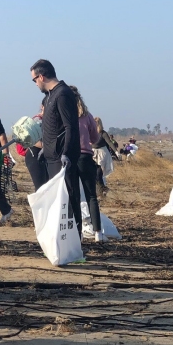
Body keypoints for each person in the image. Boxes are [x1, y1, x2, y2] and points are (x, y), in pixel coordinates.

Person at [31, 59, 82, 240]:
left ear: (41, 76)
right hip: (51, 156)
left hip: (62, 157)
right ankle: (62, 239)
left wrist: (67, 153)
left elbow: (70, 127)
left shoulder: (62, 94)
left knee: (68, 199)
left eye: (34, 80)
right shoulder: (49, 96)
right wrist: (45, 147)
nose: (35, 83)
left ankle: (75, 240)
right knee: (58, 202)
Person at [69, 86, 106, 242]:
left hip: (71, 157)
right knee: (91, 196)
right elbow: (95, 137)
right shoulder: (87, 116)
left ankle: (79, 233)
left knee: (75, 196)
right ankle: (98, 232)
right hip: (85, 157)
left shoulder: (65, 116)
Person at [16, 99, 49, 191]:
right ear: (42, 107)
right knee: (40, 187)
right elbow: (33, 140)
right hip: (34, 156)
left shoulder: (50, 120)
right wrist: (51, 147)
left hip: (45, 155)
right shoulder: (37, 120)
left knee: (47, 186)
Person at [92, 117, 115, 195]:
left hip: (102, 154)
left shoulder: (103, 133)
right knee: (94, 174)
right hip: (93, 153)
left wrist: (116, 152)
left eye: (96, 123)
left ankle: (103, 190)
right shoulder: (90, 131)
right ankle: (101, 190)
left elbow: (109, 142)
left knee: (99, 173)